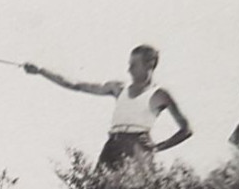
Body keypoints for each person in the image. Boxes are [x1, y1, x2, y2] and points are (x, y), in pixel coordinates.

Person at [23, 44, 192, 169]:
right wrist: (40, 71)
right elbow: (75, 85)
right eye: (129, 64)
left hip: (138, 147)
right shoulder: (118, 88)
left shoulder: (160, 94)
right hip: (113, 144)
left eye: (134, 65)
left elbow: (186, 129)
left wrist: (157, 147)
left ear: (150, 64)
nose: (129, 70)